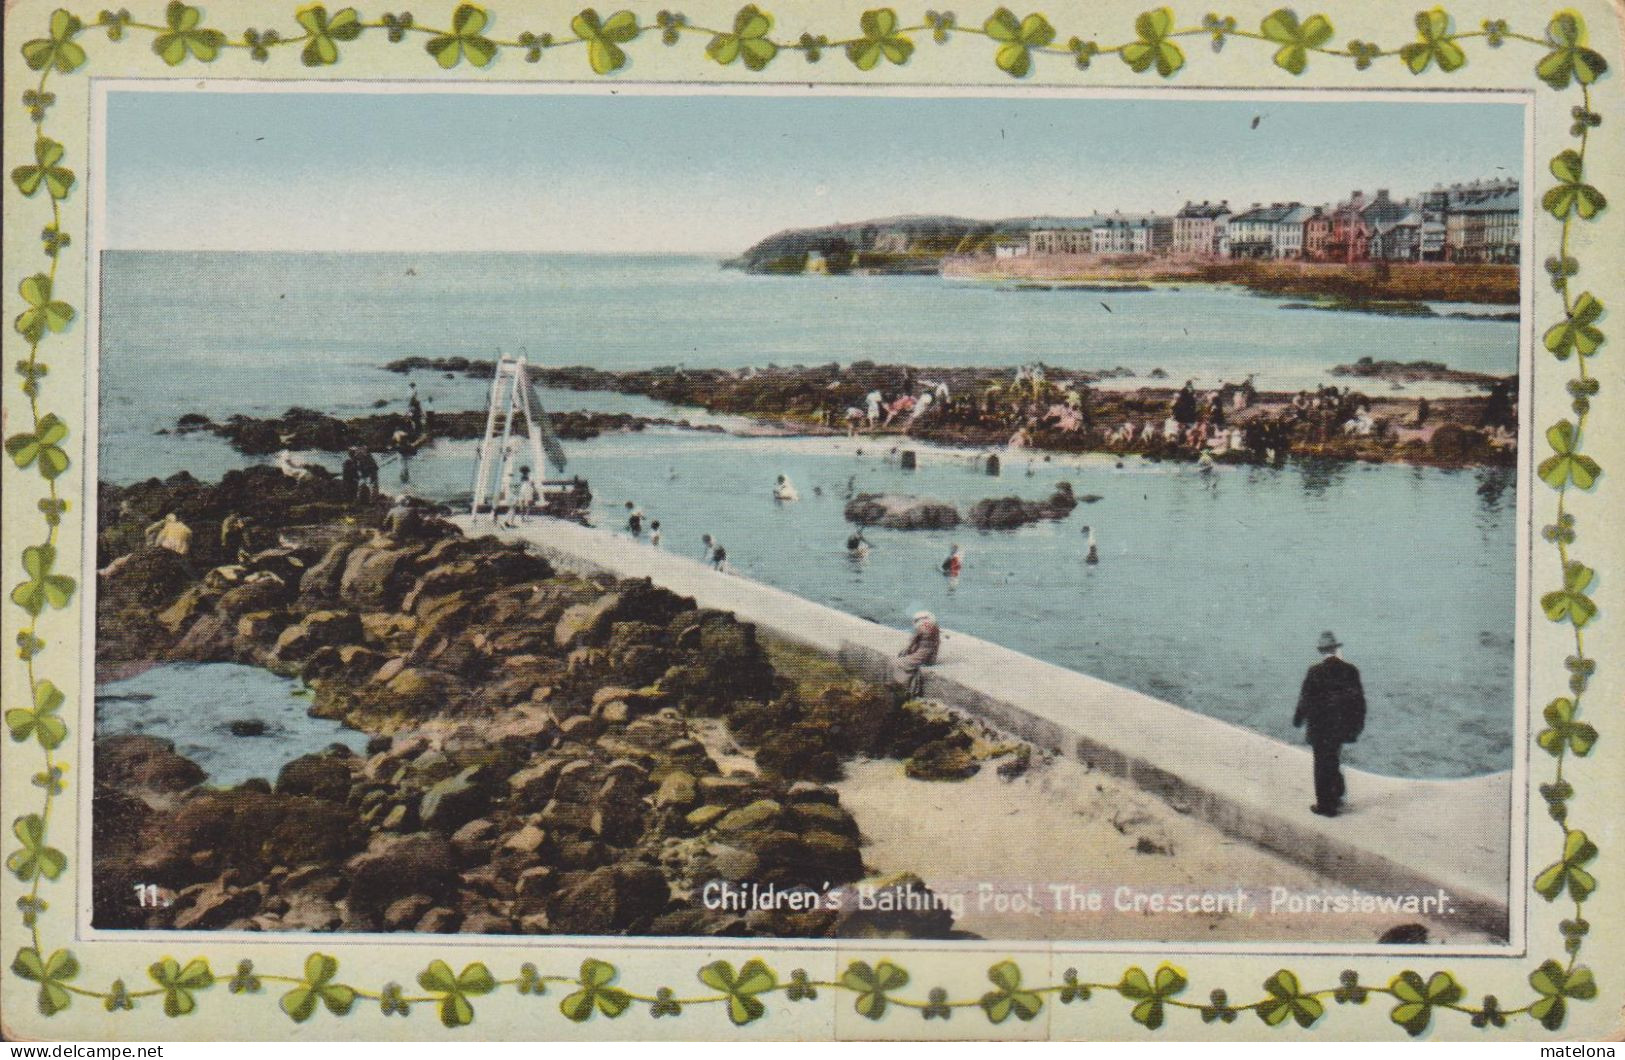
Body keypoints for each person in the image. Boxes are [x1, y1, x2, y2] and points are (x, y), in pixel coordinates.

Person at [1292, 631, 1367, 818]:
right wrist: (1356, 726)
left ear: (1321, 651)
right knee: (1333, 758)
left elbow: (1305, 700)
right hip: (1340, 727)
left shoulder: (1315, 671)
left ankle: (1326, 806)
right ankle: (1338, 795)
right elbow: (1359, 701)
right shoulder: (1351, 671)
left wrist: (1298, 720)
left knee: (1321, 764)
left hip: (1319, 727)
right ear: (1335, 648)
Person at [890, 610, 941, 696]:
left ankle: (903, 686)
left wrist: (904, 653)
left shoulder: (920, 628)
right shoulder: (935, 628)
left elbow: (910, 645)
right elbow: (936, 645)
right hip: (930, 659)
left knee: (897, 663)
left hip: (921, 657)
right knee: (911, 666)